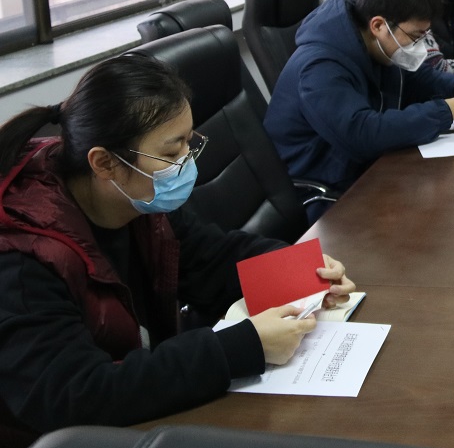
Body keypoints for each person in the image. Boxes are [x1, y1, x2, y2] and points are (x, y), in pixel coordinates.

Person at [0, 55, 356, 444]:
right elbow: (74, 396)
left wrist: (300, 271)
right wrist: (240, 348)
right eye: (171, 155)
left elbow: (209, 258)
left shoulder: (135, 200)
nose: (186, 164)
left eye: (189, 143)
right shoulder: (22, 259)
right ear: (104, 163)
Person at [264, 0, 454, 196]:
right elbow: (362, 133)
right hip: (328, 193)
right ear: (378, 25)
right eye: (415, 36)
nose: (419, 46)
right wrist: (449, 110)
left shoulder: (369, 41)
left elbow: (408, 77)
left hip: (368, 170)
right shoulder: (319, 68)